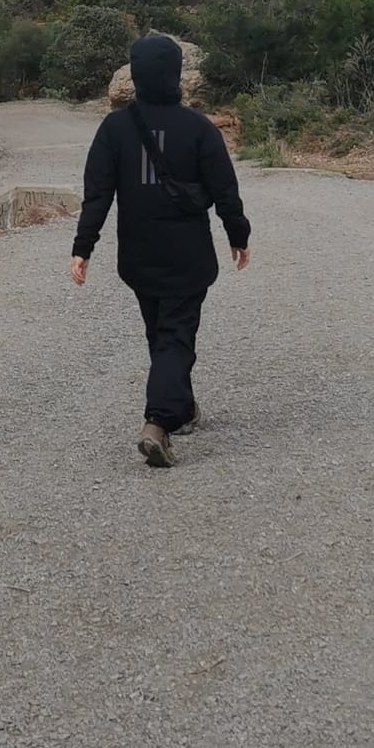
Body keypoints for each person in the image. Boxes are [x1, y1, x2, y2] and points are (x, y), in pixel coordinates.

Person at [71, 32, 251, 468]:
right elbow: (225, 189)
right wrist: (238, 234)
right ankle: (159, 420)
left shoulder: (114, 129)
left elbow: (97, 194)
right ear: (174, 75)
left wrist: (83, 248)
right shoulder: (199, 128)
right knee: (175, 335)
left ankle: (182, 407)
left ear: (136, 75)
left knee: (162, 332)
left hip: (138, 255)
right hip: (188, 254)